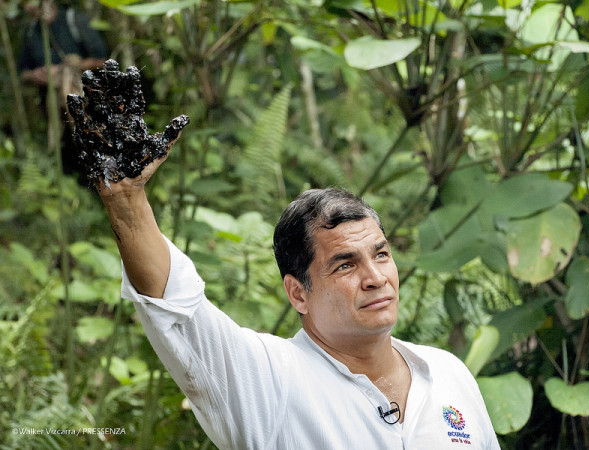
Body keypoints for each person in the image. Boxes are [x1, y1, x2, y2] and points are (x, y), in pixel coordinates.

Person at [98, 153, 501, 448]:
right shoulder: (270, 378)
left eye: (381, 254)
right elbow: (176, 305)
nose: (376, 278)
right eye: (345, 266)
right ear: (298, 293)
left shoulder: (448, 373)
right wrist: (125, 200)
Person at [18, 0, 108, 174]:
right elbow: (23, 73)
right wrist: (36, 75)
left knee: (94, 151)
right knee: (69, 161)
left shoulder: (74, 21)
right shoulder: (31, 31)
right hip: (55, 114)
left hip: (88, 108)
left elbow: (103, 61)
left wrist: (73, 66)